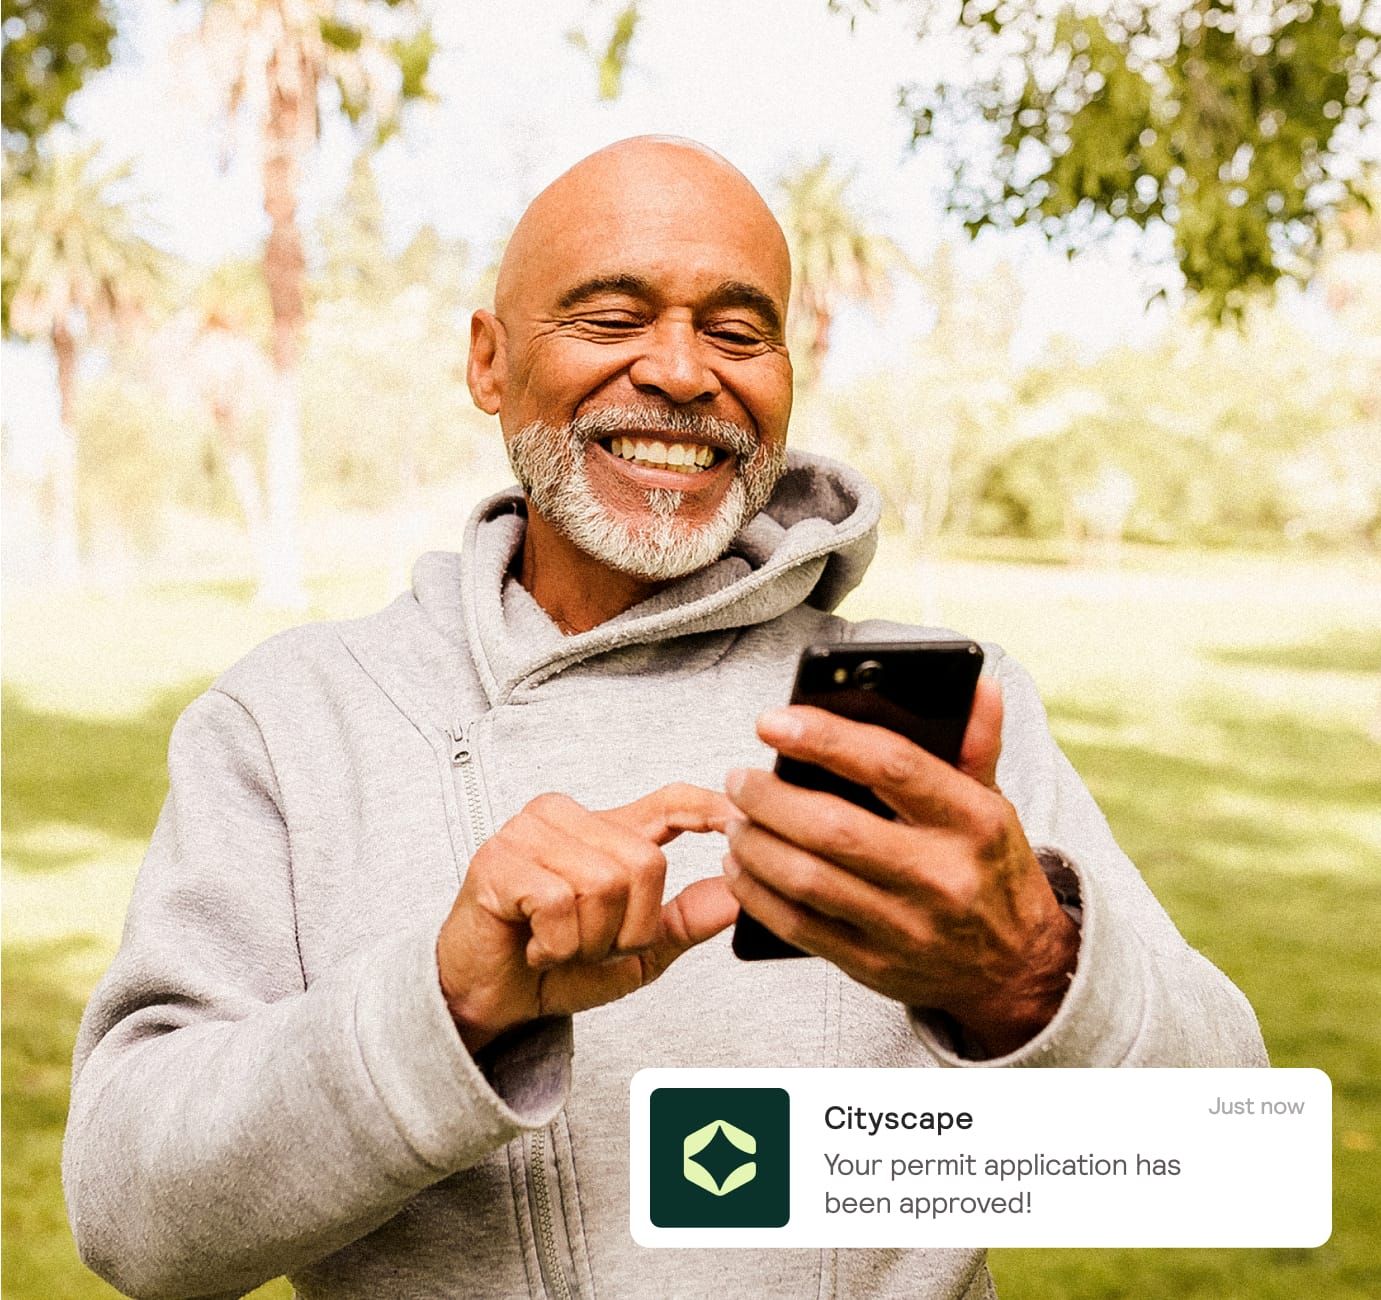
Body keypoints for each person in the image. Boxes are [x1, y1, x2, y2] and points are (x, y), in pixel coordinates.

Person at [64, 136, 1266, 1300]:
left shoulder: (945, 716)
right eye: (611, 317)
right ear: (488, 360)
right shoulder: (293, 720)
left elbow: (1228, 1166)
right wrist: (447, 1002)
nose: (685, 372)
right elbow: (133, 1223)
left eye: (738, 330)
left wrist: (1024, 971)